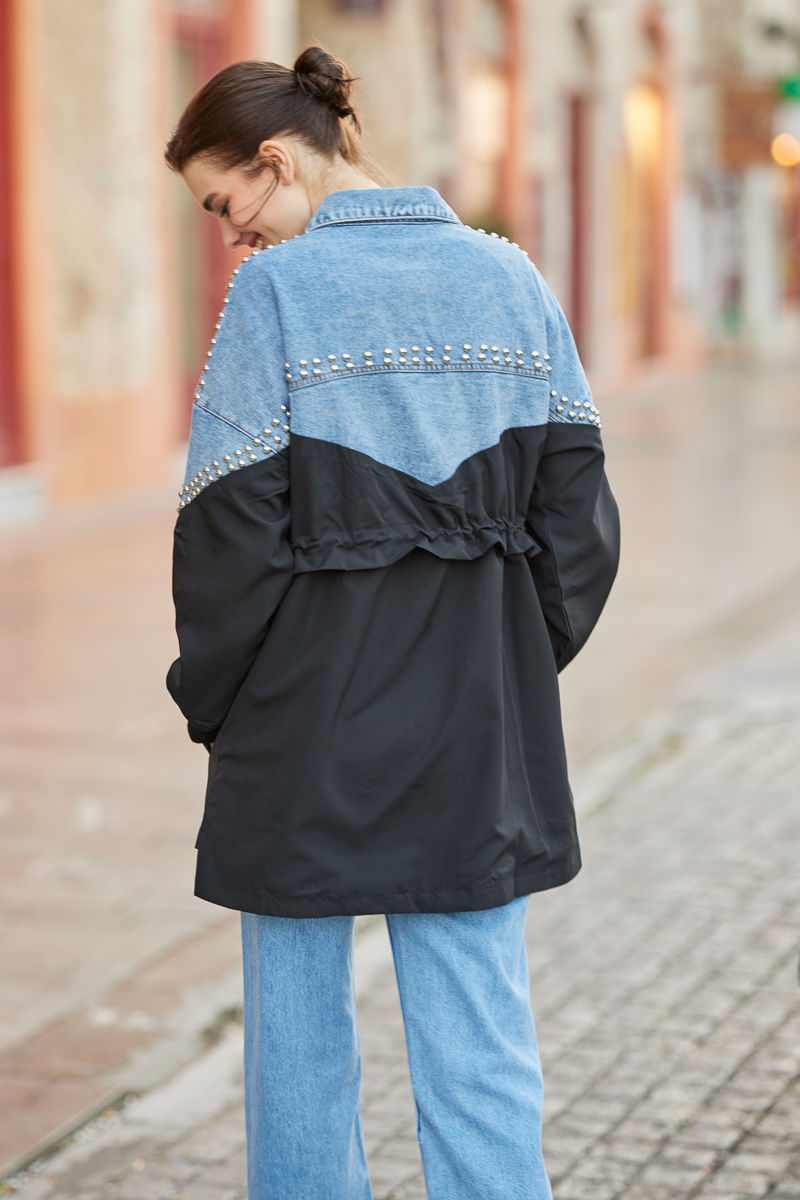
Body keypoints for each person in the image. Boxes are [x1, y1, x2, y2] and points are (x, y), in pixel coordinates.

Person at [164, 44, 620, 1200]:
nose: (235, 238)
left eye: (228, 205)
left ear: (277, 161)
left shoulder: (272, 295)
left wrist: (213, 702)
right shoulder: (512, 276)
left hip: (300, 721)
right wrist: (509, 658)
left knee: (297, 1039)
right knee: (480, 1027)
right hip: (475, 719)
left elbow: (223, 545)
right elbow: (579, 525)